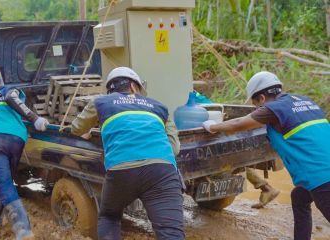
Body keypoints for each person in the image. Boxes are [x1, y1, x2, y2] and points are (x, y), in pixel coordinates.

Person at [202, 71, 330, 240]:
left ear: (262, 98)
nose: (257, 109)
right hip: (321, 170)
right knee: (299, 197)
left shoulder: (273, 109)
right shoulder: (305, 101)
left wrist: (213, 127)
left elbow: (238, 124)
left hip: (322, 177)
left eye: (256, 105)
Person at [71, 67, 185, 240]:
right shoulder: (160, 107)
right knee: (171, 233)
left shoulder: (101, 102)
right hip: (161, 172)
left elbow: (76, 128)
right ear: (133, 86)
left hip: (121, 170)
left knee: (109, 216)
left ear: (110, 89)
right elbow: (174, 148)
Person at [0, 64, 49, 240]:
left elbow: (4, 98)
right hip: (16, 139)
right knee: (5, 183)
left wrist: (35, 118)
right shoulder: (10, 90)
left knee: (4, 183)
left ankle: (23, 230)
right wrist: (35, 119)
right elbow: (13, 100)